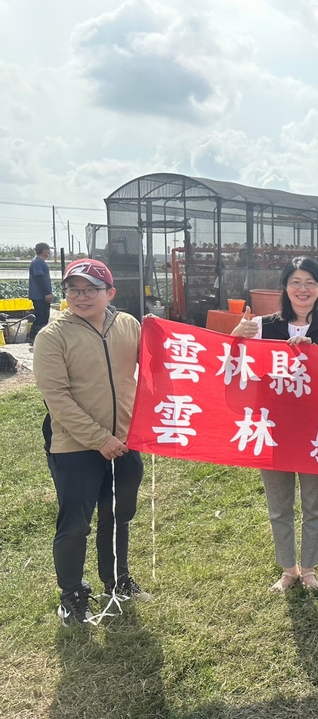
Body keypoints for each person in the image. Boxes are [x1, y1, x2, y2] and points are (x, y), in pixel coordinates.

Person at [34, 258, 150, 626]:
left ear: (110, 293)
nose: (81, 297)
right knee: (75, 524)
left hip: (125, 443)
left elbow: (165, 359)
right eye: (74, 290)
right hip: (75, 447)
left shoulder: (128, 325)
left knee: (118, 517)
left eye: (91, 290)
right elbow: (57, 399)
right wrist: (100, 439)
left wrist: (236, 336)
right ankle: (72, 596)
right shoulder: (52, 336)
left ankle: (117, 580)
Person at [232, 256, 318, 593]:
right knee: (279, 505)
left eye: (310, 282)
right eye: (296, 282)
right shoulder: (262, 326)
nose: (303, 289)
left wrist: (316, 357)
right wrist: (237, 336)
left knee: (315, 504)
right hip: (272, 428)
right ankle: (288, 569)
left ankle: (309, 569)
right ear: (285, 287)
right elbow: (232, 367)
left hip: (317, 430)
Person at [28, 242, 53, 347]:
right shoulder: (38, 262)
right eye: (47, 250)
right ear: (43, 251)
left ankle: (39, 338)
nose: (49, 252)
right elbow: (39, 278)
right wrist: (47, 293)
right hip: (39, 296)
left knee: (44, 316)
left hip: (41, 296)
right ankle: (34, 338)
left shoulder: (40, 262)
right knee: (41, 317)